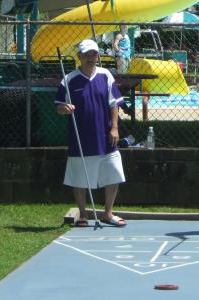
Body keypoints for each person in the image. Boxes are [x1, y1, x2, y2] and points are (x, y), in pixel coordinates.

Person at [55, 39, 127, 227]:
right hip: (81, 136)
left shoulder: (105, 76)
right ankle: (84, 214)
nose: (90, 57)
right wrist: (65, 108)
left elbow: (114, 104)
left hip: (105, 135)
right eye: (86, 54)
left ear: (98, 56)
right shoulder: (69, 79)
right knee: (79, 176)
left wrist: (114, 127)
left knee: (113, 174)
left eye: (93, 54)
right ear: (79, 56)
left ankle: (108, 213)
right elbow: (58, 108)